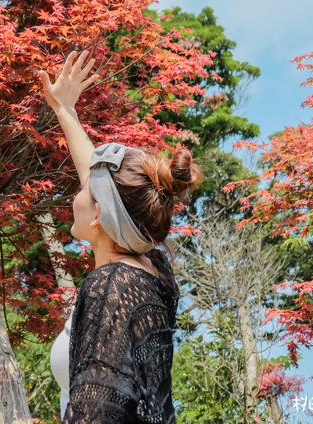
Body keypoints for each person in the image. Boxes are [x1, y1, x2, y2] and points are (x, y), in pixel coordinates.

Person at [41, 50, 201, 423]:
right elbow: (102, 185)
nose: (74, 195)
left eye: (84, 191)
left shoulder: (110, 286)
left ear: (99, 215)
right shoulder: (152, 270)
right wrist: (65, 110)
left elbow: (99, 413)